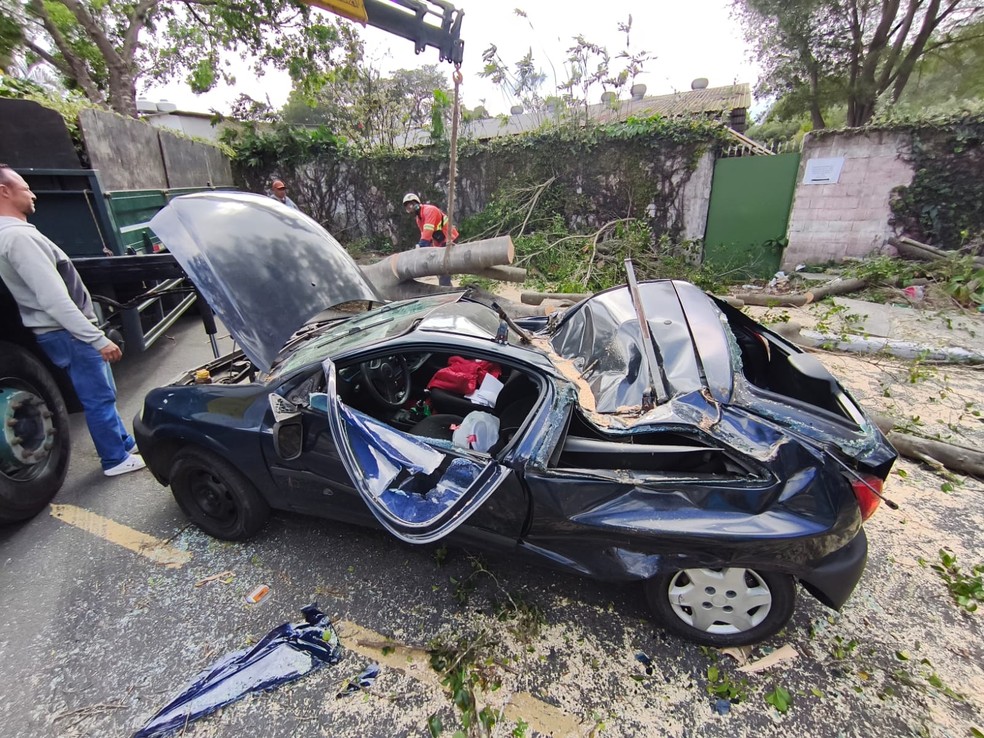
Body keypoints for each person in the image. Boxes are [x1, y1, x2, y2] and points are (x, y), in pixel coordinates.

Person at [0, 164, 145, 477]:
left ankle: (122, 442)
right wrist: (95, 337)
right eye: (25, 187)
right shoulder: (18, 238)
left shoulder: (12, 236)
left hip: (61, 332)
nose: (32, 193)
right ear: (5, 192)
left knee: (101, 394)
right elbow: (54, 298)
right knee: (99, 398)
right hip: (68, 333)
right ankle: (115, 460)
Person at [402, 192, 458, 287]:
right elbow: (424, 234)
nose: (410, 208)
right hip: (439, 242)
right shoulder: (418, 218)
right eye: (408, 207)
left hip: (449, 239)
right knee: (438, 269)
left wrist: (421, 245)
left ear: (416, 203)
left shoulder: (429, 210)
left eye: (411, 204)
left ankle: (446, 290)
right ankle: (448, 288)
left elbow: (428, 231)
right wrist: (423, 248)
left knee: (444, 269)